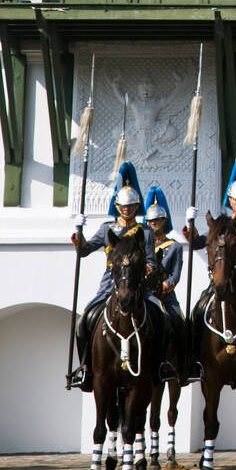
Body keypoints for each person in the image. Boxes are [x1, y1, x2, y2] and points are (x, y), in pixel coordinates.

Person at [68, 162, 156, 392]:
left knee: (163, 319)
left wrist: (142, 271)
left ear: (137, 206)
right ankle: (86, 368)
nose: (127, 209)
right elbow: (85, 250)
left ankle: (160, 366)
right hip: (110, 286)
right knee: (84, 320)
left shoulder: (145, 232)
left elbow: (152, 263)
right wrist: (78, 234)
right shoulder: (107, 229)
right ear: (116, 206)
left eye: (131, 206)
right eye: (123, 205)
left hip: (138, 288)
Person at [184, 153, 236, 378]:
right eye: (234, 199)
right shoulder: (221, 225)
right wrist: (189, 227)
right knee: (197, 311)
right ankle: (192, 360)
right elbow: (199, 243)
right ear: (229, 200)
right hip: (220, 280)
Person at [144, 185, 186, 378]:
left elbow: (175, 274)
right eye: (151, 221)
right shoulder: (141, 246)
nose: (154, 223)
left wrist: (165, 286)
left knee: (179, 322)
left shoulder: (175, 247)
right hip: (144, 294)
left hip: (165, 295)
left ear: (165, 221)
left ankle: (184, 366)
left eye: (158, 220)